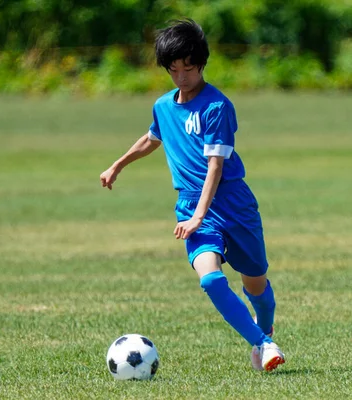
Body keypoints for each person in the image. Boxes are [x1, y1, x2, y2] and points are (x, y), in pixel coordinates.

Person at [99, 19, 285, 371]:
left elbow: (215, 167)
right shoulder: (164, 106)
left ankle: (264, 328)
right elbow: (152, 137)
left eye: (189, 68)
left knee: (256, 283)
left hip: (232, 204)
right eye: (173, 70)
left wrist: (200, 215)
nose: (182, 77)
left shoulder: (217, 107)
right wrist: (117, 165)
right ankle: (264, 343)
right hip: (190, 205)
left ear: (201, 64)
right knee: (211, 279)